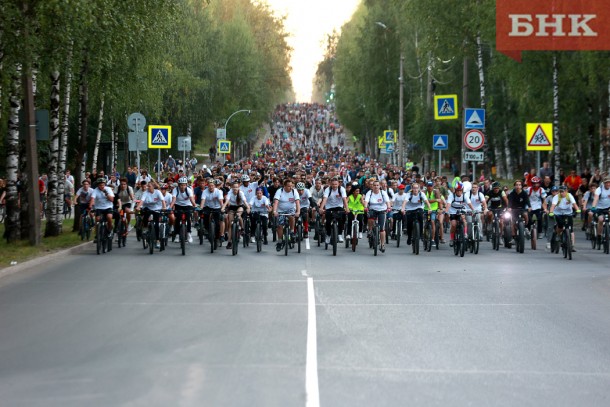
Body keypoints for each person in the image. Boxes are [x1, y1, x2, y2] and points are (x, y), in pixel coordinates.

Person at [135, 181, 166, 249]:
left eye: (149, 186)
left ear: (153, 187)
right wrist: (138, 207)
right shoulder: (145, 193)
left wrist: (164, 207)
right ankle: (145, 228)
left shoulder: (157, 192)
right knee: (145, 217)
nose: (147, 187)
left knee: (157, 224)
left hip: (157, 208)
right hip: (148, 208)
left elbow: (163, 200)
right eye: (147, 186)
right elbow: (142, 201)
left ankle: (157, 241)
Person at [549, 185, 580, 252]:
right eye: (560, 191)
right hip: (558, 213)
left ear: (566, 191)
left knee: (570, 229)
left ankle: (572, 245)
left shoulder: (569, 196)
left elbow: (574, 204)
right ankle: (558, 235)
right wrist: (551, 212)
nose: (561, 193)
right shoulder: (556, 197)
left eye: (563, 191)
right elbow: (553, 206)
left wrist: (577, 210)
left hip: (568, 213)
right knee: (560, 226)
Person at [272, 179, 300, 252]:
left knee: (291, 216)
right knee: (279, 226)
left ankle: (291, 231)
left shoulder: (294, 191)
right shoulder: (280, 191)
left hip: (291, 209)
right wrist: (274, 211)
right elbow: (276, 202)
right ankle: (280, 242)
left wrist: (298, 211)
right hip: (281, 210)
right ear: (284, 186)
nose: (290, 188)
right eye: (288, 186)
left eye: (291, 186)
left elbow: (297, 202)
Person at [221, 181, 250, 250]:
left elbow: (244, 201)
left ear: (238, 187)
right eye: (234, 187)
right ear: (231, 187)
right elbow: (227, 201)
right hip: (232, 207)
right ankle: (229, 242)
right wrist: (223, 208)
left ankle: (242, 228)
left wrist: (248, 208)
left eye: (236, 187)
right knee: (230, 225)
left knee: (238, 215)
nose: (235, 189)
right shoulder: (230, 193)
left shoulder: (241, 193)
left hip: (240, 206)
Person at [400, 182, 431, 246]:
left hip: (419, 208)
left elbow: (426, 201)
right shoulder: (409, 194)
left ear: (419, 189)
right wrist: (403, 209)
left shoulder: (421, 194)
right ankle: (409, 237)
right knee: (409, 223)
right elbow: (404, 202)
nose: (415, 189)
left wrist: (429, 208)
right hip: (410, 209)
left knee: (421, 218)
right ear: (412, 189)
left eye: (417, 188)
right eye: (414, 188)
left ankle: (421, 235)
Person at [364, 179, 391, 252]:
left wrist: (388, 207)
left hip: (382, 210)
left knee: (382, 228)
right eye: (374, 185)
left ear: (380, 186)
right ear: (372, 186)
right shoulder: (369, 193)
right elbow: (366, 201)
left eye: (377, 185)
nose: (376, 187)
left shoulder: (383, 193)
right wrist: (365, 207)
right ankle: (370, 230)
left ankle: (382, 244)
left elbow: (387, 201)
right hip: (372, 209)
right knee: (370, 218)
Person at [320, 177, 349, 244]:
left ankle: (339, 234)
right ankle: (328, 236)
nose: (334, 186)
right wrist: (321, 208)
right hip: (329, 207)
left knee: (342, 218)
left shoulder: (342, 189)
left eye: (336, 184)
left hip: (339, 206)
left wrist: (347, 208)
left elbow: (344, 199)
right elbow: (324, 199)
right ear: (330, 184)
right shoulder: (328, 189)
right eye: (333, 184)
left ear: (338, 184)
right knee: (328, 221)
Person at [446, 183, 474, 247]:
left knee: (464, 220)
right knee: (453, 225)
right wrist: (446, 211)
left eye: (460, 190)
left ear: (462, 190)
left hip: (462, 210)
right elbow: (448, 204)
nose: (459, 192)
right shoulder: (452, 195)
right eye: (457, 190)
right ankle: (452, 239)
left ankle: (465, 234)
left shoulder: (465, 196)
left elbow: (469, 203)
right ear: (455, 190)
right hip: (453, 211)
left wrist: (473, 210)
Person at [200, 179, 225, 248]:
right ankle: (208, 230)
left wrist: (222, 208)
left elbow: (221, 201)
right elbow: (203, 200)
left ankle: (217, 237)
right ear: (207, 186)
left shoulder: (218, 192)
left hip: (217, 207)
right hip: (208, 207)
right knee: (205, 218)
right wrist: (201, 208)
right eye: (209, 186)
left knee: (217, 224)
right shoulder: (205, 191)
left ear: (214, 186)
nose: (211, 187)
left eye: (212, 186)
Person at [171, 176, 196, 244]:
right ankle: (177, 235)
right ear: (179, 185)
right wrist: (170, 207)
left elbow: (191, 199)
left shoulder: (189, 190)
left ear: (186, 185)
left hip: (188, 205)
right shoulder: (175, 190)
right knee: (177, 219)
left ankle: (188, 234)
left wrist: (195, 205)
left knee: (188, 218)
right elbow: (173, 199)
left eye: (184, 185)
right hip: (178, 205)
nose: (182, 187)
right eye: (181, 185)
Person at [91, 178, 115, 243]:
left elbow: (112, 200)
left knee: (109, 217)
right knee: (97, 219)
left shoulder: (108, 189)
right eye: (100, 185)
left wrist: (106, 193)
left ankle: (109, 230)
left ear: (105, 184)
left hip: (108, 207)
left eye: (103, 185)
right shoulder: (95, 190)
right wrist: (91, 207)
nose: (101, 186)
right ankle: (97, 235)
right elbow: (92, 199)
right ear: (98, 185)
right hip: (99, 207)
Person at [590, 177, 610, 246]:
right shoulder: (599, 189)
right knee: (600, 220)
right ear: (603, 183)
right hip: (600, 208)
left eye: (609, 182)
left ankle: (608, 233)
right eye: (606, 182)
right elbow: (596, 198)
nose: (608, 184)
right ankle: (599, 236)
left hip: (608, 207)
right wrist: (593, 207)